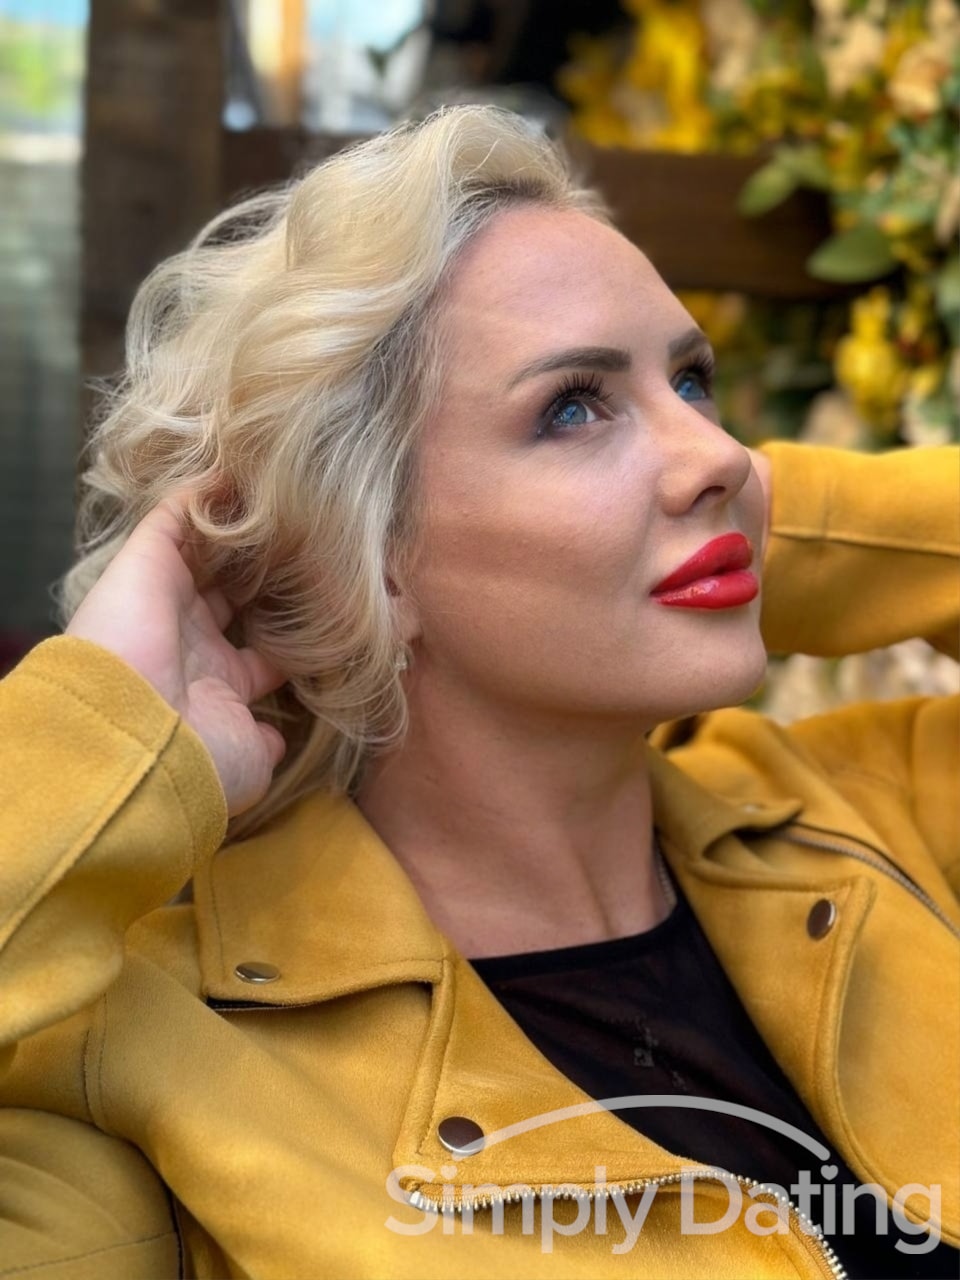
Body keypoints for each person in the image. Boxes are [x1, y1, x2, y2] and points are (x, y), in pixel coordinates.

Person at [0, 106, 957, 1280]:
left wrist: (750, 529)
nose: (725, 453)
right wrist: (106, 743)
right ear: (365, 558)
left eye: (693, 380)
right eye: (573, 405)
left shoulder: (872, 813)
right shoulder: (145, 1058)